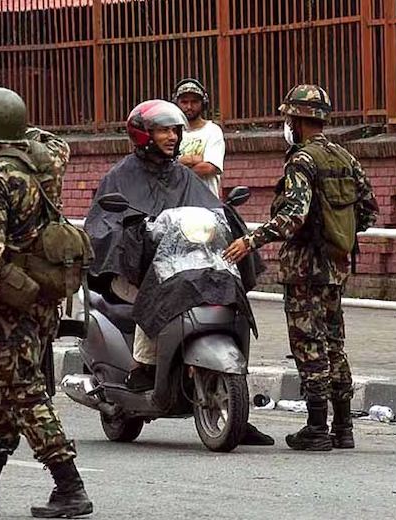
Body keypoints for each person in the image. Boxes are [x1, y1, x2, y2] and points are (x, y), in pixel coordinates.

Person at [85, 99, 274, 446]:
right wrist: (135, 232)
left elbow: (210, 208)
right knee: (159, 290)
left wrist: (228, 220)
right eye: (163, 131)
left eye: (174, 130)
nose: (172, 136)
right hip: (136, 270)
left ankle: (236, 408)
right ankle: (143, 365)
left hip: (184, 263)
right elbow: (103, 223)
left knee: (226, 286)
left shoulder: (183, 175)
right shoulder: (120, 177)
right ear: (144, 135)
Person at [0, 87, 93, 518]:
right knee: (2, 394)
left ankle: (69, 486)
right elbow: (56, 142)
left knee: (23, 392)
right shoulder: (46, 163)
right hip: (42, 296)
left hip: (9, 302)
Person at [224, 84, 379, 451]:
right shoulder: (345, 157)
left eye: (289, 118)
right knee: (335, 344)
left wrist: (250, 240)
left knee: (309, 345)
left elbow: (292, 216)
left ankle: (316, 427)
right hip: (335, 267)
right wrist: (336, 234)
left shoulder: (302, 161)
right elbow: (368, 211)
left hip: (305, 269)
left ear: (296, 120)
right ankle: (343, 427)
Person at [174, 78, 226, 197]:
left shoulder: (212, 131)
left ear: (203, 103)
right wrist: (195, 159)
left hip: (206, 202)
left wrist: (177, 168)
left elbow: (209, 168)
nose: (189, 106)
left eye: (194, 102)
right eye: (184, 102)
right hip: (176, 203)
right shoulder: (171, 133)